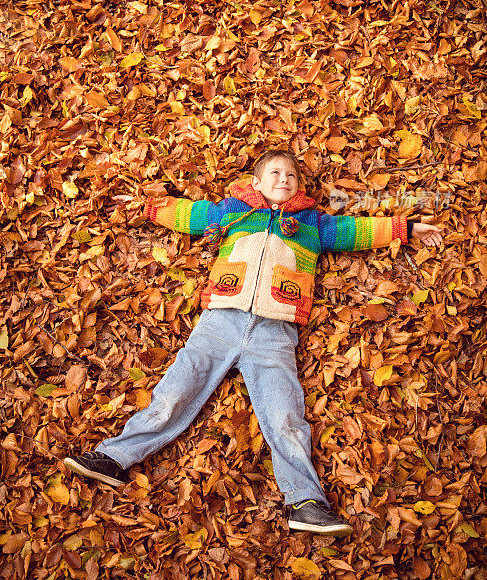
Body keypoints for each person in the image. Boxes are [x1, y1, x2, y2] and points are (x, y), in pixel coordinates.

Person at [64, 149, 443, 536]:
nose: (284, 179)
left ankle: (306, 502)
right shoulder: (233, 211)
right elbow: (190, 215)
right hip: (220, 320)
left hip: (275, 332)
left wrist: (407, 228)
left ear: (299, 186)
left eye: (291, 175)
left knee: (285, 415)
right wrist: (147, 206)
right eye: (275, 173)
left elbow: (355, 230)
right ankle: (113, 458)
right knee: (174, 392)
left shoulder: (312, 223)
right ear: (257, 182)